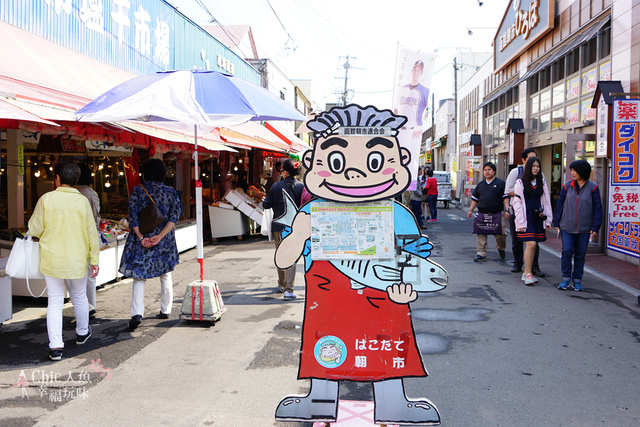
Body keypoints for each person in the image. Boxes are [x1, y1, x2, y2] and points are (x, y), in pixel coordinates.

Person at [274, 104, 444, 425]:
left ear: (401, 163)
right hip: (328, 304)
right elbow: (284, 260)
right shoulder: (311, 214)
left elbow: (415, 263)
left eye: (375, 161)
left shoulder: (399, 215)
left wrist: (408, 290)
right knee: (326, 350)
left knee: (389, 351)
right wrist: (298, 236)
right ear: (311, 164)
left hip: (386, 302)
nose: (354, 173)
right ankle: (320, 401)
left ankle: (393, 403)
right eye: (337, 162)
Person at [28, 161, 100, 361]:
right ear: (76, 180)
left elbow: (34, 229)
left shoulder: (46, 199)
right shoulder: (82, 201)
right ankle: (82, 333)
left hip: (52, 259)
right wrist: (94, 259)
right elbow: (91, 233)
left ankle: (56, 347)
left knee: (55, 301)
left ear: (57, 178)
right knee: (79, 296)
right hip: (77, 259)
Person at [119, 159, 181, 330]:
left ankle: (137, 313)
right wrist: (160, 236)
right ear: (163, 174)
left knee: (139, 276)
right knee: (165, 273)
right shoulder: (171, 192)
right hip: (164, 240)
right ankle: (165, 309)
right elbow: (174, 218)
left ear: (145, 173)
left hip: (142, 240)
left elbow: (133, 217)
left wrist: (140, 237)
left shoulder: (138, 191)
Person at [553, 160, 602, 291]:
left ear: (582, 172)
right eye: (572, 170)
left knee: (580, 255)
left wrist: (595, 226)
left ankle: (577, 280)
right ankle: (565, 279)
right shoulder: (567, 186)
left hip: (584, 228)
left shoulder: (593, 187)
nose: (572, 173)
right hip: (566, 227)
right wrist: (556, 223)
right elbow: (560, 205)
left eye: (574, 170)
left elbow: (598, 208)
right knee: (567, 252)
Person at [262, 159, 304, 300]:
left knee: (280, 254)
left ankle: (281, 284)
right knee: (292, 256)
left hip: (278, 227)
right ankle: (288, 289)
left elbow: (266, 205)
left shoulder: (275, 186)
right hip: (295, 228)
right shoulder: (301, 187)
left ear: (285, 172)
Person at [67, 163, 101, 321]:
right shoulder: (93, 193)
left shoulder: (73, 193)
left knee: (73, 276)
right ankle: (90, 307)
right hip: (92, 236)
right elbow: (96, 217)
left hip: (76, 238)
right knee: (90, 276)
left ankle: (84, 308)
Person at [512, 157, 553, 286]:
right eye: (534, 166)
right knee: (531, 244)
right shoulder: (520, 182)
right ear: (528, 167)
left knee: (534, 244)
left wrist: (548, 220)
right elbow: (516, 203)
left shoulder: (541, 181)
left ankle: (527, 272)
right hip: (526, 217)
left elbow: (546, 201)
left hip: (537, 217)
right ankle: (527, 272)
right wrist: (520, 221)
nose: (536, 168)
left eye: (538, 166)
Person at [505, 148, 545, 276]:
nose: (534, 163)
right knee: (516, 239)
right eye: (530, 158)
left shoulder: (540, 175)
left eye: (535, 159)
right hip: (518, 211)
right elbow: (508, 190)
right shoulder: (516, 173)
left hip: (534, 213)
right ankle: (518, 263)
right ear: (523, 160)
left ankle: (534, 266)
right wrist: (522, 194)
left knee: (534, 241)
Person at [468, 162, 509, 262]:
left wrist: (507, 210)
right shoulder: (481, 184)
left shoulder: (500, 183)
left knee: (501, 234)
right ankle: (481, 253)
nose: (487, 171)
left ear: (494, 171)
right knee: (481, 233)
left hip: (496, 214)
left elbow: (505, 198)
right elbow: (475, 199)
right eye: (485, 170)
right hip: (482, 213)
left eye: (489, 169)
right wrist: (470, 210)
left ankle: (501, 247)